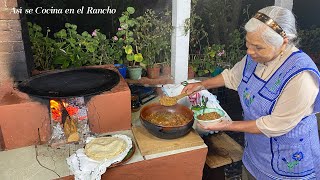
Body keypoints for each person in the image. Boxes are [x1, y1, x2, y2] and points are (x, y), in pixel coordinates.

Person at [182, 6, 320, 179]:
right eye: (247, 44)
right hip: (256, 152)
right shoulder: (254, 57)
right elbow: (233, 77)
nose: (249, 51)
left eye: (258, 47)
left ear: (283, 43)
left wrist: (227, 125)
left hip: (289, 162)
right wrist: (202, 85)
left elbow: (274, 125)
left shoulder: (301, 76)